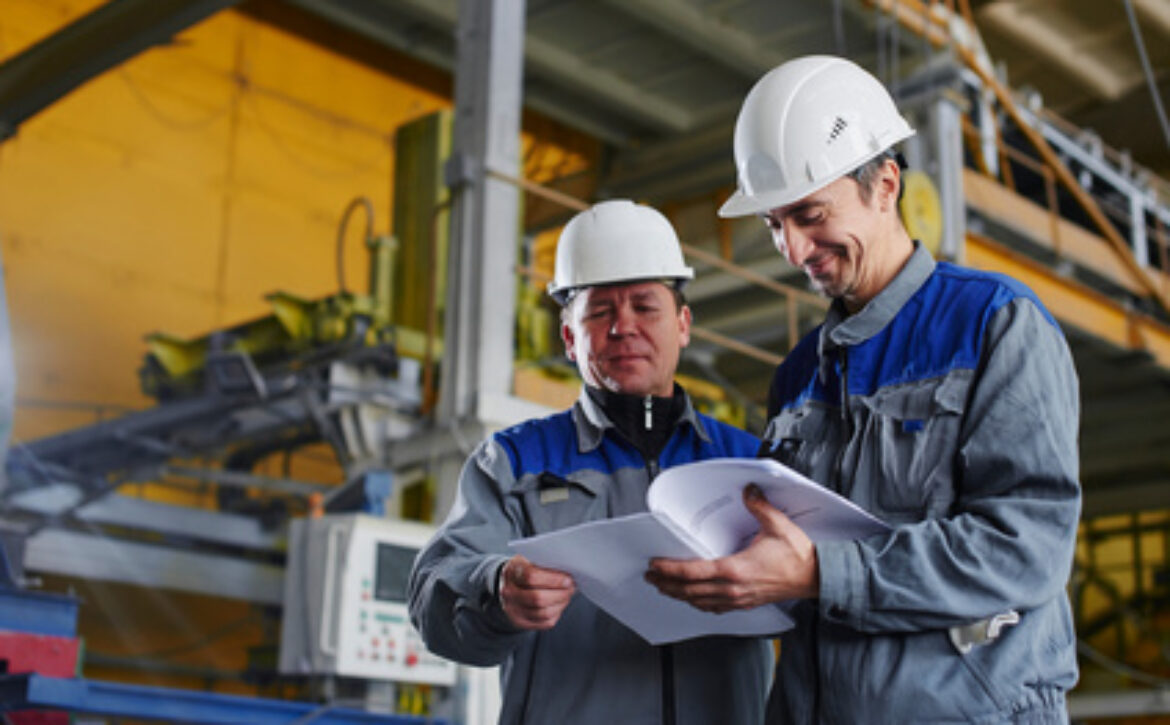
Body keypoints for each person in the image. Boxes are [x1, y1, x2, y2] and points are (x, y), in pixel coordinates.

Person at [646, 55, 1081, 724]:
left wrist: (821, 571)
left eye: (810, 213)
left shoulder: (996, 325)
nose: (792, 249)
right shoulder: (796, 376)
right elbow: (790, 573)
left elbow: (1025, 549)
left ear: (884, 184)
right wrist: (732, 575)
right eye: (773, 224)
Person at [408, 199, 772, 725]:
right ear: (569, 338)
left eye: (645, 306)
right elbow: (431, 599)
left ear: (684, 324)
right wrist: (496, 589)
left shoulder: (749, 462)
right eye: (600, 311)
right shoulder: (512, 464)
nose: (623, 327)